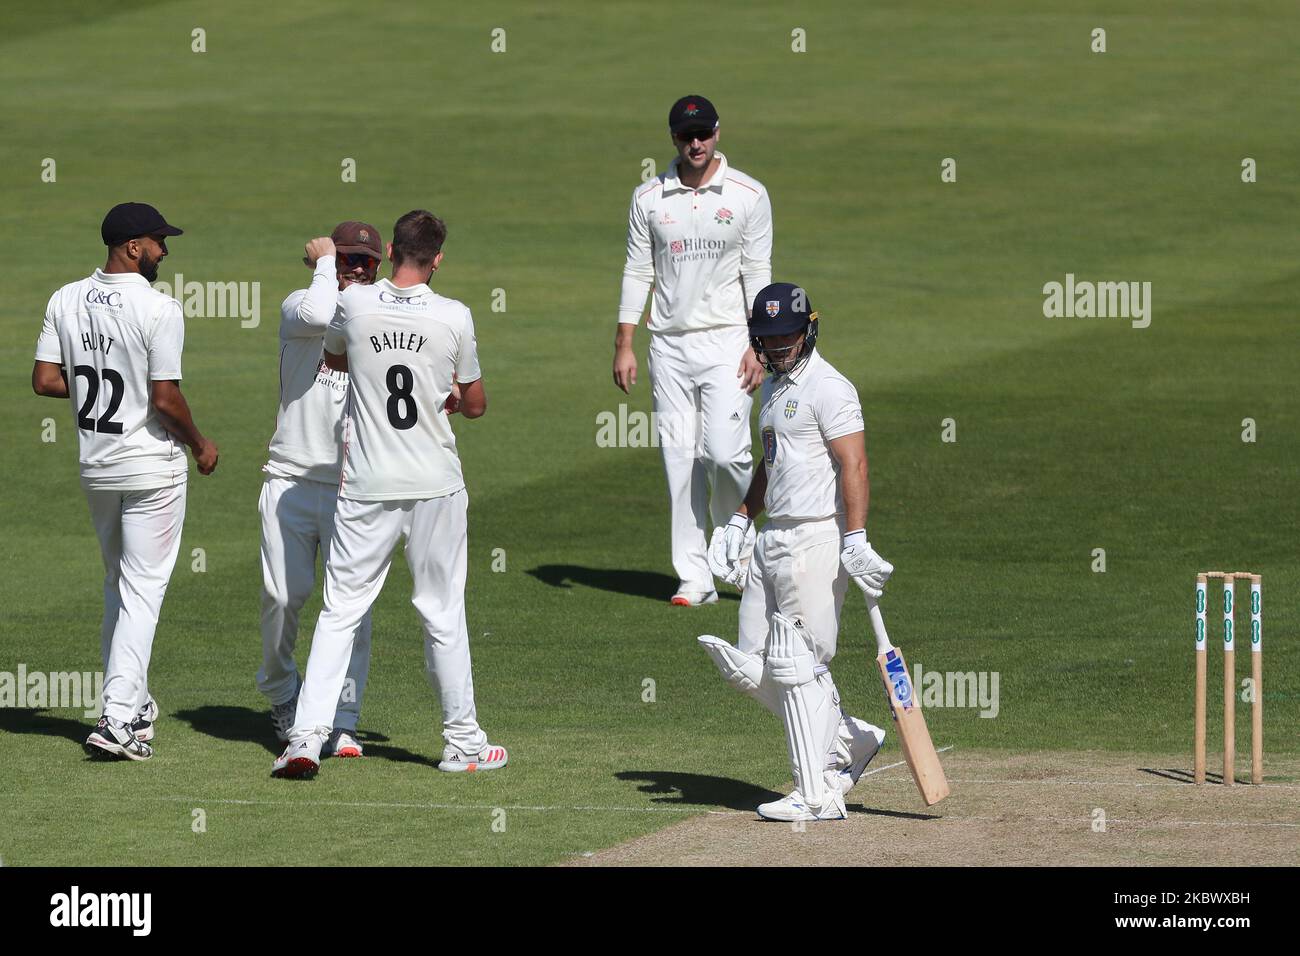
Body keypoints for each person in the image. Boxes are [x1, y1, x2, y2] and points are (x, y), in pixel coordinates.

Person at [272, 210, 506, 778]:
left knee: (339, 612)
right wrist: (444, 394)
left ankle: (304, 740)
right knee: (442, 613)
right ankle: (463, 743)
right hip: (435, 485)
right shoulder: (454, 316)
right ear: (438, 259)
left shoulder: (353, 304)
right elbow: (474, 404)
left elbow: (334, 359)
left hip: (366, 487)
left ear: (393, 249)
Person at [699, 282, 894, 822]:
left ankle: (818, 794)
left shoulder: (831, 388)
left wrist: (854, 536)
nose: (779, 345)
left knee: (797, 663)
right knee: (750, 663)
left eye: (787, 334)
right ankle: (849, 742)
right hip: (772, 539)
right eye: (768, 337)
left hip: (814, 538)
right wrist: (742, 516)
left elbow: (854, 464)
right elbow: (773, 459)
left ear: (809, 328)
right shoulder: (775, 387)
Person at [32, 201, 218, 761]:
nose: (166, 250)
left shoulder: (64, 298)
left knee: (120, 584)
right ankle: (116, 721)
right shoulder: (158, 308)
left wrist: (98, 394)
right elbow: (165, 398)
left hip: (97, 464)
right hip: (151, 469)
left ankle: (131, 703)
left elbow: (45, 381)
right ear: (133, 247)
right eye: (160, 241)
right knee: (142, 591)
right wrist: (200, 444)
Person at [613, 94, 772, 606]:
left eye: (703, 133)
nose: (696, 143)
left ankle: (737, 552)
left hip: (730, 339)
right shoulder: (649, 198)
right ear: (673, 140)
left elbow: (757, 271)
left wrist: (758, 343)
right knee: (680, 459)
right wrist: (625, 343)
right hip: (669, 344)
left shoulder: (749, 194)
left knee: (726, 454)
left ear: (718, 133)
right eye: (686, 136)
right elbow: (638, 270)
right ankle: (695, 575)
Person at [257, 222, 384, 758]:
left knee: (350, 610)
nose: (356, 266)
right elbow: (317, 313)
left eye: (365, 260)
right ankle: (283, 689)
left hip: (355, 486)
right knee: (284, 597)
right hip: (289, 478)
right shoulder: (300, 304)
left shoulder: (380, 314)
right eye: (347, 257)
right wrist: (324, 264)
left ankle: (341, 717)